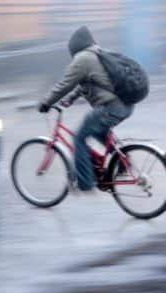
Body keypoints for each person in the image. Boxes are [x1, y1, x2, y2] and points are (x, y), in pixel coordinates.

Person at [38, 26, 134, 191]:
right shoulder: (98, 54)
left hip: (111, 107)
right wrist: (69, 100)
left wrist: (46, 102)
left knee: (79, 138)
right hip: (125, 105)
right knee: (98, 131)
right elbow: (85, 84)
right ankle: (122, 160)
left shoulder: (83, 59)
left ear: (74, 47)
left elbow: (65, 84)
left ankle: (85, 182)